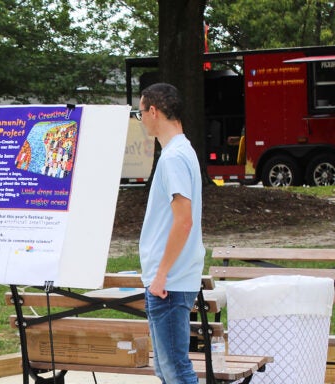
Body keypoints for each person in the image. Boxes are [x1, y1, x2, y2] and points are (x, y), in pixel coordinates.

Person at [137, 83, 205, 384]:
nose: (140, 119)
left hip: (169, 282)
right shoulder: (180, 152)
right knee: (166, 369)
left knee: (176, 369)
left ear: (154, 111)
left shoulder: (174, 157)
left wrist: (161, 274)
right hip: (170, 279)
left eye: (140, 112)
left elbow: (184, 221)